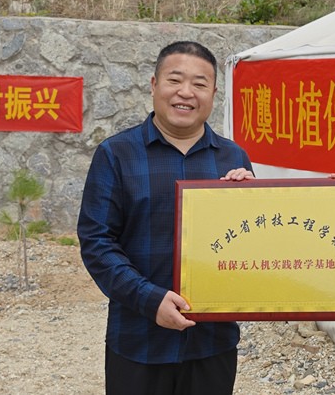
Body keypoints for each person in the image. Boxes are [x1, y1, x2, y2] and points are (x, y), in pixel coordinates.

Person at [77, 41, 255, 395]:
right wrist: (150, 299)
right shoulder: (116, 154)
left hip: (212, 343)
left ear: (214, 93)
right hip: (138, 340)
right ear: (153, 84)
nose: (186, 92)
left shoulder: (233, 157)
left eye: (200, 84)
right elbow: (97, 242)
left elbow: (250, 244)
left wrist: (253, 203)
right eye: (175, 80)